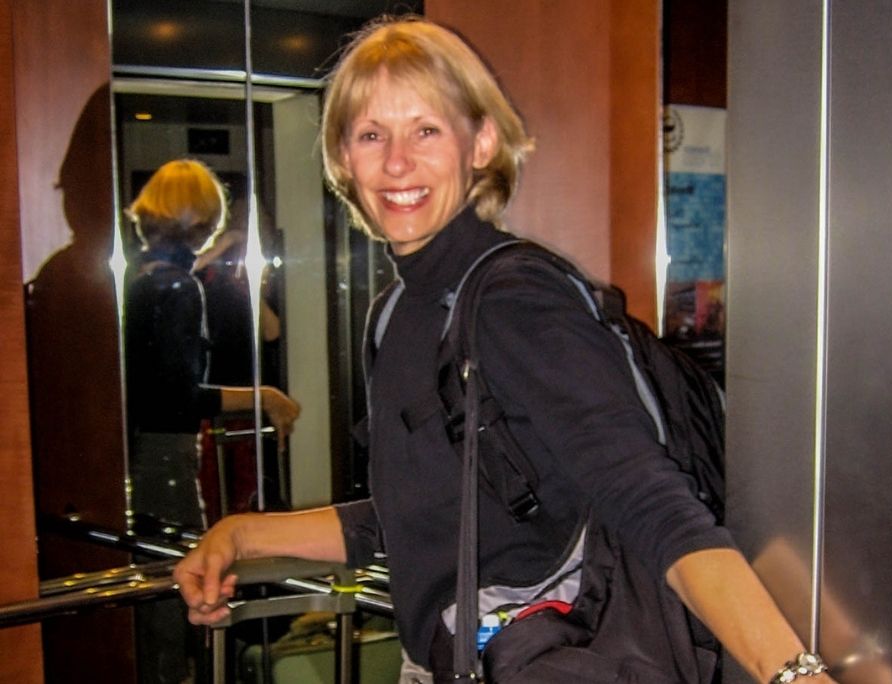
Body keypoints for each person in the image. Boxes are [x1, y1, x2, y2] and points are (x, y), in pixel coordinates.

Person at [173, 17, 838, 684]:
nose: (397, 162)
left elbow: (651, 502)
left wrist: (791, 674)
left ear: (482, 142)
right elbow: (422, 515)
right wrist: (243, 534)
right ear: (343, 157)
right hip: (446, 660)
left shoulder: (514, 298)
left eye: (426, 130)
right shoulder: (396, 313)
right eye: (372, 135)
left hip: (543, 656)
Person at [124, 158, 301, 684]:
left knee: (156, 588)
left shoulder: (139, 278)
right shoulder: (178, 287)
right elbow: (179, 398)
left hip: (139, 451)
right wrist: (264, 397)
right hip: (166, 458)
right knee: (176, 590)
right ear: (203, 220)